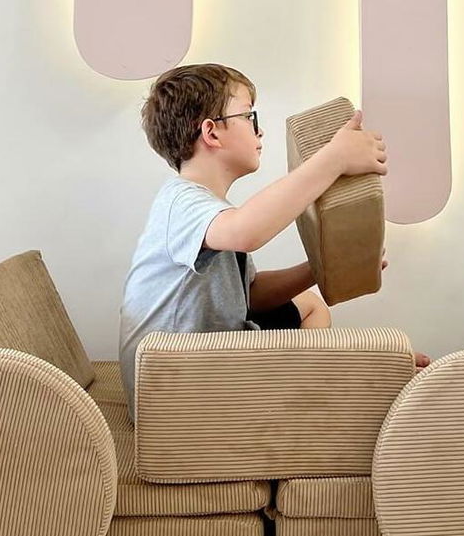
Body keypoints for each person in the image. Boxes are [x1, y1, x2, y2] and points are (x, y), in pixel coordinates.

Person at [118, 63, 430, 420]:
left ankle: (317, 382)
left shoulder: (213, 213)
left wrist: (321, 267)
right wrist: (334, 158)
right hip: (172, 390)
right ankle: (354, 379)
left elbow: (250, 295)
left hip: (205, 362)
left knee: (310, 305)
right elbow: (247, 232)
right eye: (249, 116)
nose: (259, 130)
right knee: (346, 354)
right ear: (211, 132)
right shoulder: (181, 202)